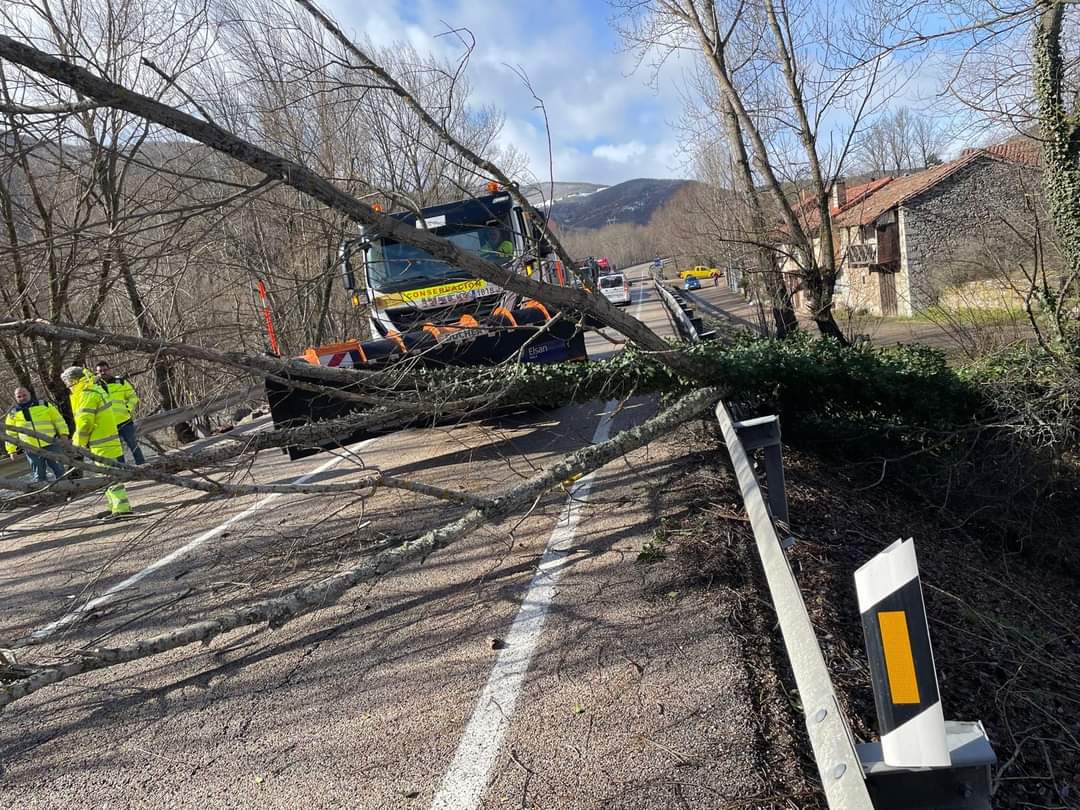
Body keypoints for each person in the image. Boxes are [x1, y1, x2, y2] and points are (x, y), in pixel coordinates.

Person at [61, 366, 132, 518]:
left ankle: (122, 509)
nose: (68, 387)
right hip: (105, 440)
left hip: (101, 442)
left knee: (110, 476)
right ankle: (114, 507)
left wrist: (78, 443)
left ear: (75, 381)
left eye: (68, 383)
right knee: (107, 475)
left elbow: (85, 423)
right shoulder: (94, 389)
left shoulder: (86, 395)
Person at [4, 386, 68, 483]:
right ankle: (45, 496)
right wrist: (11, 451)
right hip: (31, 448)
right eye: (19, 396)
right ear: (15, 398)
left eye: (24, 395)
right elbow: (10, 434)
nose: (22, 398)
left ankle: (68, 492)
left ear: (29, 394)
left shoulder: (44, 405)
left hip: (51, 444)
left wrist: (64, 434)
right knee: (39, 474)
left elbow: (58, 421)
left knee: (59, 470)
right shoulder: (13, 413)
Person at [93, 360, 144, 465]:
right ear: (96, 373)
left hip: (124, 420)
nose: (103, 372)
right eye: (100, 371)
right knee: (117, 449)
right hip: (109, 424)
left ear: (109, 370)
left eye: (105, 370)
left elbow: (133, 397)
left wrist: (128, 408)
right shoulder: (94, 386)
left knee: (133, 444)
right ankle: (122, 469)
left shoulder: (120, 381)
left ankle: (142, 464)